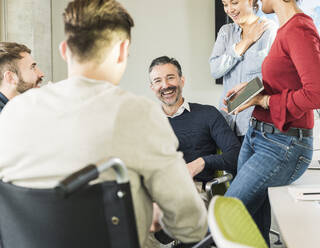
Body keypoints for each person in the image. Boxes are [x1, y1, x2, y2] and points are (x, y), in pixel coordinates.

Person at [0, 1, 207, 247]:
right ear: (122, 51)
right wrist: (156, 213)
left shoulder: (13, 113)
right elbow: (191, 227)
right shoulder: (138, 113)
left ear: (64, 50)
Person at [224, 0, 320, 245]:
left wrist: (264, 101)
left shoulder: (299, 30)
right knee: (251, 223)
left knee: (227, 212)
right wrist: (252, 89)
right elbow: (286, 78)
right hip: (257, 136)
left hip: (281, 145)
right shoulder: (286, 28)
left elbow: (317, 95)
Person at [149, 56, 241, 194]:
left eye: (170, 77)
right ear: (152, 88)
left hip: (193, 190)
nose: (165, 85)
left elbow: (236, 155)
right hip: (155, 193)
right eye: (158, 81)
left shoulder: (208, 114)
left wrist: (201, 162)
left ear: (182, 80)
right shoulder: (146, 122)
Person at [209, 0, 277, 141]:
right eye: (225, 5)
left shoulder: (269, 30)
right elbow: (215, 70)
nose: (229, 10)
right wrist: (247, 41)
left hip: (255, 125)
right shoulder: (226, 32)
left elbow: (273, 80)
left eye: (234, 3)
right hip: (226, 123)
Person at [0, 42, 44, 112]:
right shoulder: (6, 118)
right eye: (32, 67)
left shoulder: (14, 109)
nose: (41, 74)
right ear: (10, 78)